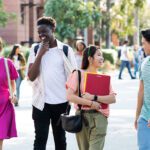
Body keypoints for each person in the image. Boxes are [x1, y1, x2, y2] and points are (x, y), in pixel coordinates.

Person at [27, 16, 77, 150]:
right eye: (39, 33)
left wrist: (73, 99)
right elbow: (31, 76)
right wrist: (40, 54)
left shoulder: (65, 50)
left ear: (53, 29)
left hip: (61, 102)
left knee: (60, 139)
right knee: (40, 139)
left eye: (45, 32)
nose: (41, 36)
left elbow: (75, 77)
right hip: (40, 102)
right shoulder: (35, 49)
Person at [66, 45, 116, 150]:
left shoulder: (103, 78)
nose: (102, 58)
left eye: (102, 55)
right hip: (82, 117)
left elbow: (112, 99)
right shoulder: (78, 74)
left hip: (100, 117)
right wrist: (90, 103)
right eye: (98, 55)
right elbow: (69, 96)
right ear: (90, 59)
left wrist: (94, 97)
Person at [0, 37, 18, 150]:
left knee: (0, 135)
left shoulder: (7, 63)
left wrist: (14, 94)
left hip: (4, 104)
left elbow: (13, 83)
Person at [135, 29, 150, 150]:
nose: (142, 46)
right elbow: (141, 91)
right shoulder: (144, 63)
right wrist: (137, 116)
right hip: (144, 118)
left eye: (144, 43)